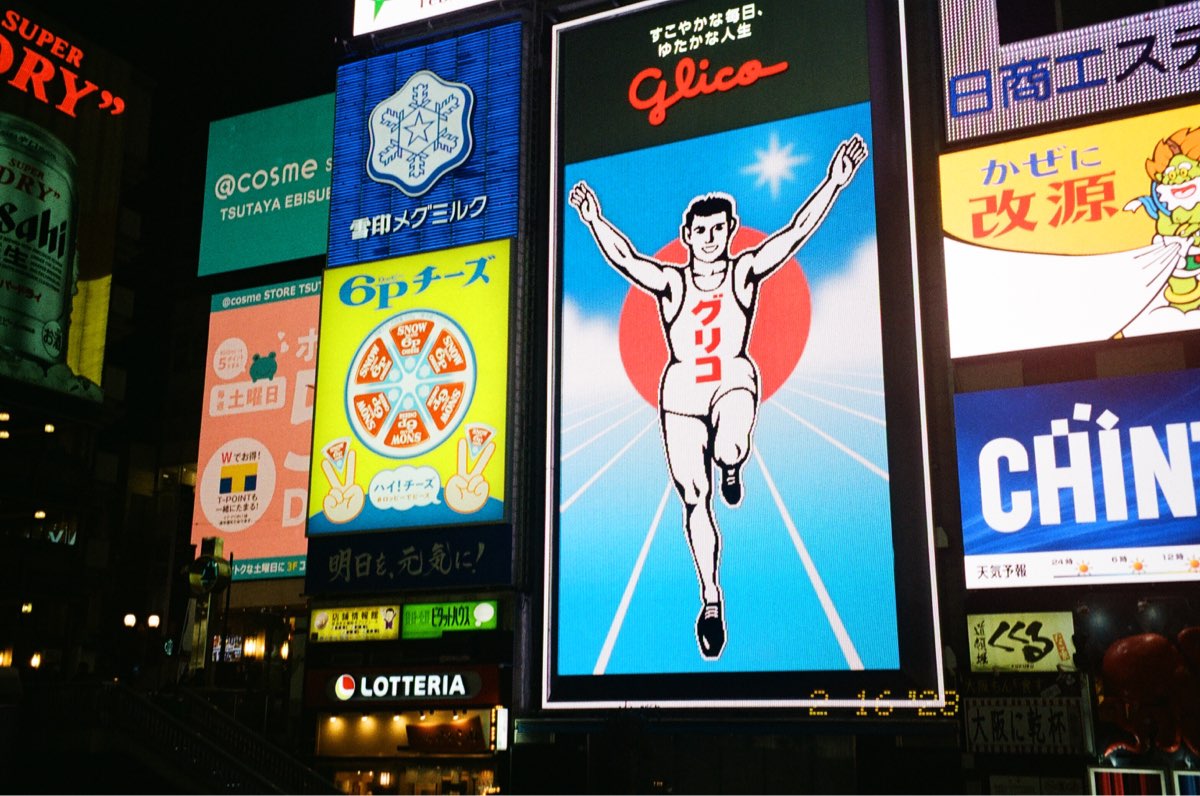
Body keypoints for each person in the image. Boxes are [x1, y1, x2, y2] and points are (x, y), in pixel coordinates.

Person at [569, 134, 867, 659]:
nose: (709, 238)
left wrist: (835, 182)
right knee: (693, 496)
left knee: (730, 444)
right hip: (681, 391)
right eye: (699, 230)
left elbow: (796, 233)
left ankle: (731, 462)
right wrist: (594, 220)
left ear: (729, 232)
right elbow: (627, 259)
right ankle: (710, 599)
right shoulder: (670, 282)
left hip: (731, 377)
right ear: (687, 236)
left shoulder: (745, 271)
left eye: (717, 229)